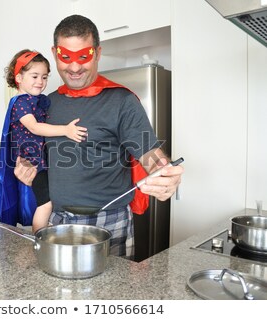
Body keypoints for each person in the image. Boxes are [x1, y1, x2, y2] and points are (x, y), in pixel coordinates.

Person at [14, 15, 184, 258]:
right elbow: (41, 158)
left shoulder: (122, 102)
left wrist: (165, 174)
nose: (74, 67)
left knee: (110, 293)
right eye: (65, 57)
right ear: (54, 53)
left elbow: (149, 154)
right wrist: (28, 170)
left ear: (98, 52)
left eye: (83, 56)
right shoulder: (44, 104)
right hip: (56, 218)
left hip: (109, 221)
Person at [0, 49, 88, 233]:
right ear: (19, 78)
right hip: (33, 163)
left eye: (44, 77)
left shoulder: (38, 101)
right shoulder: (21, 102)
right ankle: (40, 238)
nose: (40, 82)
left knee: (46, 201)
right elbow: (34, 127)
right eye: (35, 76)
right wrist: (66, 130)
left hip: (42, 161)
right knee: (45, 204)